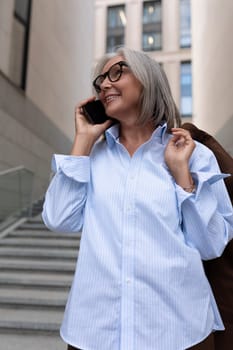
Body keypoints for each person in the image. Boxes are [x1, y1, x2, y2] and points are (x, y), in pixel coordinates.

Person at [42, 47, 233, 350]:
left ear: (149, 79)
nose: (105, 84)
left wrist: (182, 175)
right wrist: (82, 141)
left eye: (117, 72)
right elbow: (58, 219)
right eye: (100, 80)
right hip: (95, 333)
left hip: (177, 333)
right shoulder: (92, 157)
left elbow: (210, 245)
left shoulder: (196, 156)